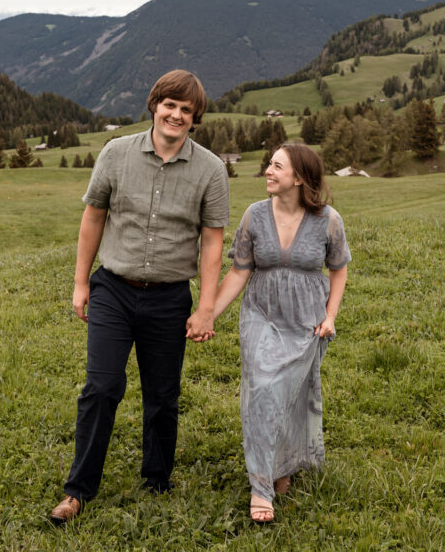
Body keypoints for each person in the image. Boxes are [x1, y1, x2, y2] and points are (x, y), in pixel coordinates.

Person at [50, 69, 229, 525]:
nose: (176, 115)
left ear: (195, 119)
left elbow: (212, 241)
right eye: (170, 105)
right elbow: (93, 217)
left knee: (163, 396)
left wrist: (207, 305)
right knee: (102, 387)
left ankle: (157, 480)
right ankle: (77, 491)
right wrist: (80, 282)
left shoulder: (210, 169)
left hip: (170, 297)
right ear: (155, 104)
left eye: (186, 110)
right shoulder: (116, 153)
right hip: (113, 287)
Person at [213, 142, 349, 524]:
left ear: (299, 178)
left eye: (277, 166)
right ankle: (261, 488)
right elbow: (240, 270)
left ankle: (282, 468)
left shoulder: (328, 220)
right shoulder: (254, 216)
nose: (268, 171)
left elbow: (338, 269)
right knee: (262, 387)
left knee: (290, 394)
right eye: (269, 164)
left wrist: (331, 315)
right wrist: (207, 315)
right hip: (262, 314)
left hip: (306, 320)